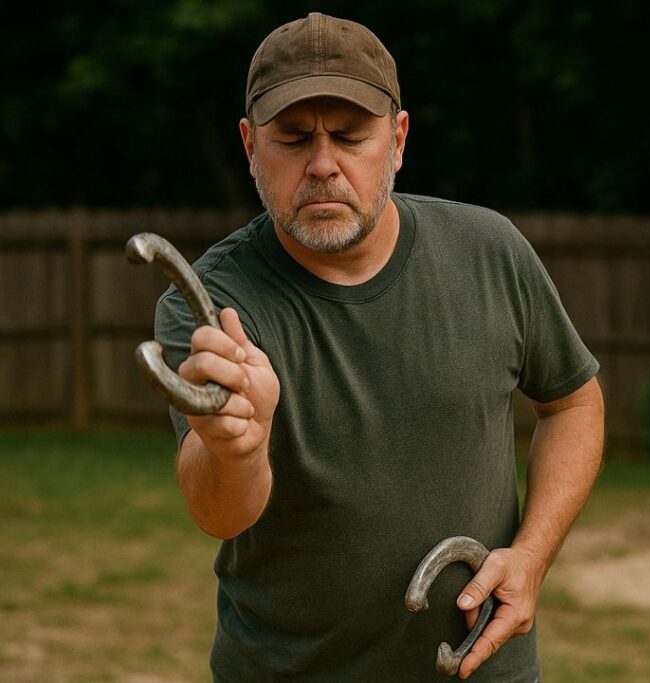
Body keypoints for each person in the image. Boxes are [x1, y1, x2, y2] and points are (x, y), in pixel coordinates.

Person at [155, 12, 604, 682]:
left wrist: (531, 556)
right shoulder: (214, 308)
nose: (323, 164)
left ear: (396, 140)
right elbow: (220, 512)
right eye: (293, 138)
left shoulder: (490, 252)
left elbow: (573, 402)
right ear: (250, 146)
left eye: (349, 136)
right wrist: (234, 444)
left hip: (482, 668)